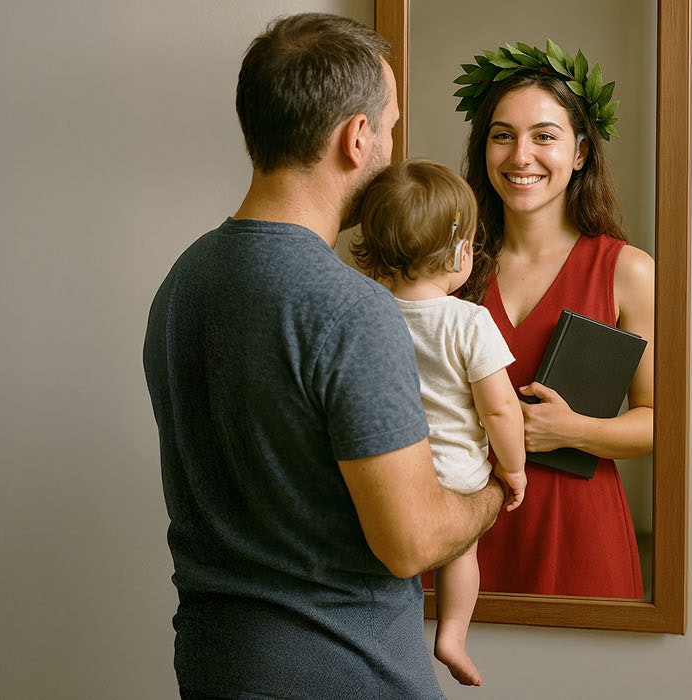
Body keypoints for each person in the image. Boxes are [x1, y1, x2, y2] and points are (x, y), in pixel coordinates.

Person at [143, 14, 507, 700]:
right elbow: (412, 542)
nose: (391, 150)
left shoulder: (183, 282)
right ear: (356, 137)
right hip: (348, 673)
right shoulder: (352, 309)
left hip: (215, 668)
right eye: (389, 129)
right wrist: (492, 494)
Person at [453, 46, 655, 599]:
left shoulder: (628, 271)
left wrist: (573, 431)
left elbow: (660, 422)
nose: (521, 156)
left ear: (581, 152)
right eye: (503, 135)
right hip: (463, 532)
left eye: (544, 136)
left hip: (579, 535)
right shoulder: (449, 265)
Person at [350, 159, 527, 687]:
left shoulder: (367, 313)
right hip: (456, 473)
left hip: (388, 470)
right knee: (461, 551)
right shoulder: (469, 321)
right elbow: (500, 409)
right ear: (458, 252)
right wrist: (513, 467)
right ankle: (451, 633)